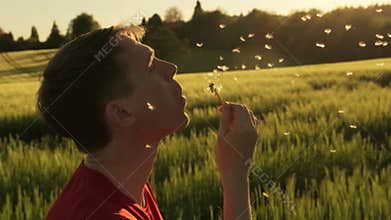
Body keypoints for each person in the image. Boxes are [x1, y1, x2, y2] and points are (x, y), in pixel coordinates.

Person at [39, 26, 258, 220]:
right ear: (123, 113)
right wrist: (235, 177)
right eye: (151, 66)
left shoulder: (125, 185)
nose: (171, 68)